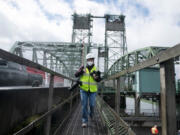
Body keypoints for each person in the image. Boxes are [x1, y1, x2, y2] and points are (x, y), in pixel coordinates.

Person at [75, 53, 101, 128]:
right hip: (83, 89)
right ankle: (84, 121)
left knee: (92, 105)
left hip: (93, 90)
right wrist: (80, 71)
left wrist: (96, 78)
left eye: (91, 59)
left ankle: (91, 114)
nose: (90, 61)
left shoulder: (96, 69)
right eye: (89, 60)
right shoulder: (83, 68)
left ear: (93, 60)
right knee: (84, 105)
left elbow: (99, 79)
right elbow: (76, 75)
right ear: (87, 60)